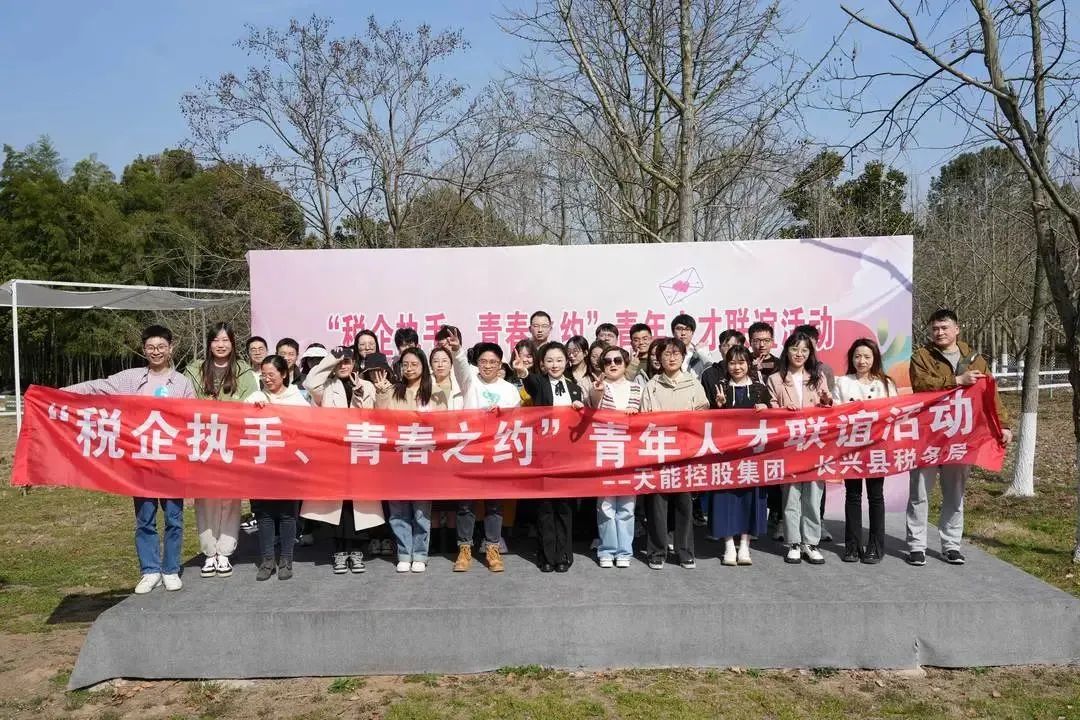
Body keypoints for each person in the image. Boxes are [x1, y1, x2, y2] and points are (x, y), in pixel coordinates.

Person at [64, 325, 194, 594]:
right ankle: (150, 570)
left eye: (161, 347)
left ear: (171, 348)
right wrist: (60, 393)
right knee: (145, 518)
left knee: (174, 518)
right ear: (144, 349)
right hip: (141, 462)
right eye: (151, 347)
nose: (156, 352)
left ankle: (170, 569)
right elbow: (97, 387)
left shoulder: (182, 383)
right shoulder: (131, 379)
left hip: (172, 463)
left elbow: (194, 417)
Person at [905, 309, 1011, 566]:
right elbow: (921, 384)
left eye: (944, 327)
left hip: (960, 435)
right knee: (919, 492)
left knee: (955, 493)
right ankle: (916, 546)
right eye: (935, 329)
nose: (939, 332)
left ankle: (951, 545)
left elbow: (990, 393)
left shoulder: (975, 359)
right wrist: (957, 380)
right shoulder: (921, 356)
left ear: (957, 329)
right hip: (928, 433)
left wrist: (1003, 424)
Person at [184, 322, 259, 580]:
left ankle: (225, 551)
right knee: (205, 499)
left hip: (232, 444)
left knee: (230, 499)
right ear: (209, 344)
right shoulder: (194, 370)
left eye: (226, 340)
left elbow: (252, 402)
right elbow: (184, 402)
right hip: (203, 442)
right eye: (216, 340)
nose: (221, 344)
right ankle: (209, 552)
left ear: (233, 343)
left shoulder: (243, 371)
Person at [301, 346, 383, 574]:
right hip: (334, 454)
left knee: (358, 505)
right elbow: (310, 383)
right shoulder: (326, 386)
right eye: (340, 362)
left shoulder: (366, 385)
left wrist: (359, 394)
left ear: (355, 363)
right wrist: (331, 359)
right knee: (336, 505)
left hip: (360, 453)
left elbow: (371, 416)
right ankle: (339, 551)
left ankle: (356, 551)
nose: (344, 365)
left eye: (348, 361)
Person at [446, 334, 522, 572]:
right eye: (483, 361)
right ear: (477, 363)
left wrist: (503, 414)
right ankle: (464, 549)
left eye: (493, 362)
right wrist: (457, 350)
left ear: (500, 365)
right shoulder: (469, 381)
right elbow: (460, 367)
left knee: (494, 504)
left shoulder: (510, 390)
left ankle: (492, 548)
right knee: (465, 504)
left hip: (496, 453)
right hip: (470, 451)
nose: (488, 366)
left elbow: (517, 420)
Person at [372, 348, 448, 573]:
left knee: (421, 511)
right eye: (405, 364)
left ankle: (421, 554)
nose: (409, 368)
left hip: (423, 461)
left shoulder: (435, 392)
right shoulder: (393, 390)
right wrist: (381, 394)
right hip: (397, 460)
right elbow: (380, 419)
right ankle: (404, 553)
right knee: (398, 510)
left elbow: (442, 424)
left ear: (423, 366)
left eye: (414, 364)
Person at [514, 342, 585, 572]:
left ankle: (563, 554)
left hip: (567, 456)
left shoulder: (574, 388)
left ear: (566, 361)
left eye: (559, 360)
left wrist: (580, 408)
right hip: (544, 454)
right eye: (550, 360)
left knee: (564, 506)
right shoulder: (539, 383)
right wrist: (523, 372)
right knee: (545, 506)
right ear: (543, 364)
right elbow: (529, 381)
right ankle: (546, 555)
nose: (555, 365)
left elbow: (581, 423)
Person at [641, 338, 709, 569]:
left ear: (682, 357)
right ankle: (657, 551)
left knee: (684, 504)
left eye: (676, 354)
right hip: (658, 452)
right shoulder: (651, 385)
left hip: (685, 453)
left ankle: (685, 551)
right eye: (666, 354)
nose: (671, 358)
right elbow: (644, 418)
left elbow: (703, 415)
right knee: (657, 505)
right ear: (659, 358)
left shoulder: (693, 384)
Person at [767, 330, 832, 565]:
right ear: (787, 351)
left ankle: (811, 542)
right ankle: (794, 542)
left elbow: (829, 406)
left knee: (814, 495)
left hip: (814, 444)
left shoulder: (818, 377)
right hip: (790, 445)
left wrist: (826, 400)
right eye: (795, 349)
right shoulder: (775, 379)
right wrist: (783, 412)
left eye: (804, 350)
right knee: (791, 495)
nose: (799, 354)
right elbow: (771, 410)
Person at [834, 339, 898, 564]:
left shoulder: (886, 384)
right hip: (851, 446)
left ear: (875, 359)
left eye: (867, 357)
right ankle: (852, 546)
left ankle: (876, 546)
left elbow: (895, 413)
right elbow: (835, 413)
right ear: (851, 358)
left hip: (876, 446)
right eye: (857, 356)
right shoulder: (842, 382)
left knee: (875, 495)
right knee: (852, 495)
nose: (862, 361)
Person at [246, 355, 310, 581]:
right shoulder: (256, 396)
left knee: (287, 514)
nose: (267, 379)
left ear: (284, 374)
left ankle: (286, 560)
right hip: (262, 465)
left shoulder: (296, 398)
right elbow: (240, 419)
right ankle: (267, 560)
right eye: (263, 375)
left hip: (288, 465)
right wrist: (254, 409)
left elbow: (307, 424)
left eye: (271, 374)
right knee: (263, 514)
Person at [709, 345, 770, 566]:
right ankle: (728, 545)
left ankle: (744, 545)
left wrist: (767, 408)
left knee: (750, 498)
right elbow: (709, 420)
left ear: (749, 364)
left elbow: (773, 417)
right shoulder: (721, 387)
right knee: (725, 498)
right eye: (732, 363)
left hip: (752, 455)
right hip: (726, 455)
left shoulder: (760, 389)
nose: (737, 367)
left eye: (741, 362)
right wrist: (718, 406)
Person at [588, 345, 643, 568]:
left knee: (628, 506)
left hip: (631, 453)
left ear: (625, 364)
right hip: (606, 451)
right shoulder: (598, 386)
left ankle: (624, 551)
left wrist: (636, 416)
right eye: (607, 361)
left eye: (617, 360)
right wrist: (597, 391)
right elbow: (593, 405)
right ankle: (607, 549)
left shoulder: (637, 388)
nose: (612, 364)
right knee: (605, 505)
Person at [749, 321, 784, 540]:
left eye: (766, 340)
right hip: (750, 430)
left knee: (776, 473)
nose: (761, 345)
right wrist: (753, 370)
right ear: (750, 342)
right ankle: (753, 521)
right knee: (754, 475)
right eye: (757, 341)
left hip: (776, 428)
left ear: (772, 341)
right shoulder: (743, 362)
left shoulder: (782, 365)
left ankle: (778, 517)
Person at [701, 330, 747, 412]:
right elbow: (705, 405)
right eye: (726, 345)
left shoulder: (751, 372)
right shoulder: (709, 374)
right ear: (719, 348)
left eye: (734, 346)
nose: (730, 349)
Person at [671, 314, 711, 378]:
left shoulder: (700, 353)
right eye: (679, 329)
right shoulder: (667, 353)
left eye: (687, 329)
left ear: (692, 333)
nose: (683, 333)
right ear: (673, 332)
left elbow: (711, 369)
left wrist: (700, 352)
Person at [429, 345, 464, 409]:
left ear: (451, 364)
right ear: (431, 365)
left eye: (444, 361)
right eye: (436, 361)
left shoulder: (460, 386)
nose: (440, 365)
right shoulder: (424, 386)